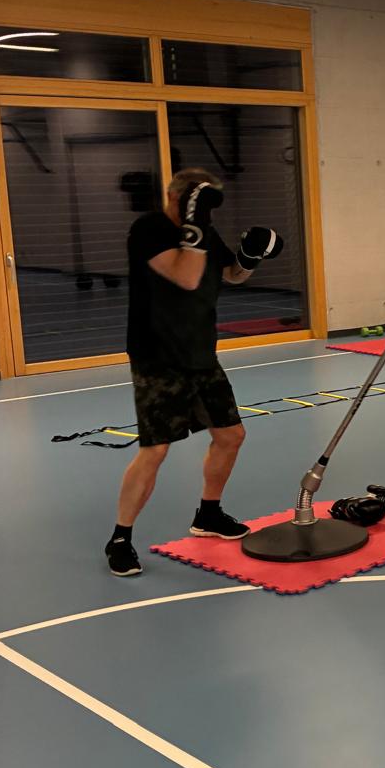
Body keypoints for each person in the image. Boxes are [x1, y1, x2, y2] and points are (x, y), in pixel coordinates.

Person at [105, 168, 284, 577]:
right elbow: (186, 276)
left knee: (230, 435)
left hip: (200, 352)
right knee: (156, 449)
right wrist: (196, 223)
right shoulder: (149, 228)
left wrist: (250, 257)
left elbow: (231, 275)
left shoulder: (204, 232)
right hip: (158, 356)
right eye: (192, 201)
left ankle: (208, 514)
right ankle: (120, 538)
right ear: (175, 197)